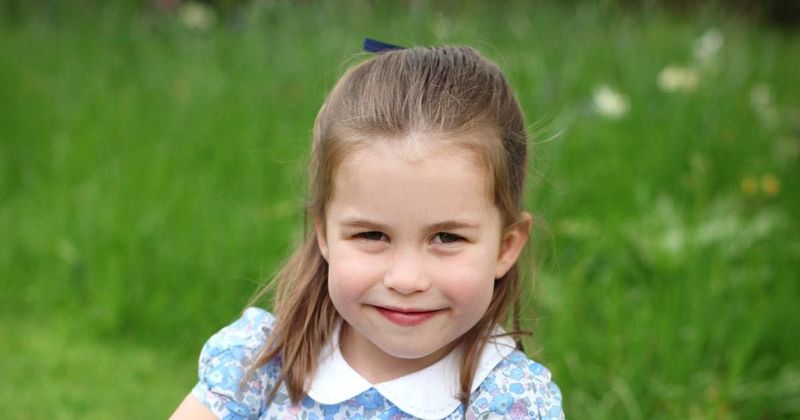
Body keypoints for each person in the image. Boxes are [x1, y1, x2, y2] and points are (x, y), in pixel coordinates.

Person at [171, 43, 564, 420]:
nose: (406, 280)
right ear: (323, 233)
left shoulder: (508, 401)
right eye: (372, 236)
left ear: (505, 247)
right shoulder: (262, 360)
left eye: (447, 238)